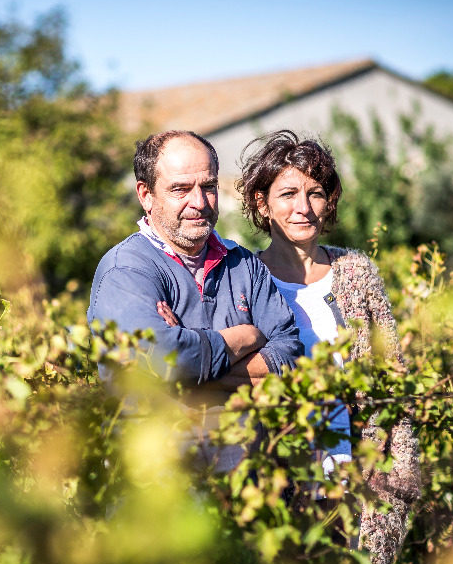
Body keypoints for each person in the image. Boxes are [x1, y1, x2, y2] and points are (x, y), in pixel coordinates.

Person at [237, 129, 421, 564]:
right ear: (262, 204)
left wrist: (390, 475)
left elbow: (390, 381)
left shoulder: (356, 274)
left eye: (316, 193)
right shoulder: (243, 280)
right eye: (288, 193)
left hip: (355, 485)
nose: (304, 207)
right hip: (277, 484)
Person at [87, 130, 303, 442]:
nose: (199, 202)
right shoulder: (126, 270)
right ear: (145, 195)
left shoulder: (244, 264)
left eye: (209, 186)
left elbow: (291, 359)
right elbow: (163, 356)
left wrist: (190, 366)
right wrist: (248, 336)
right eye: (181, 189)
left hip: (252, 479)